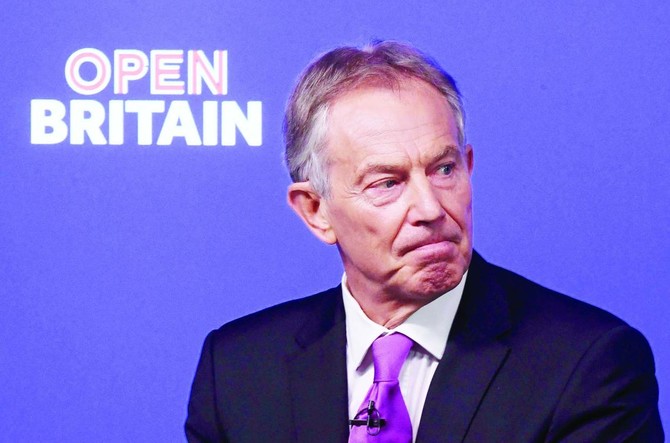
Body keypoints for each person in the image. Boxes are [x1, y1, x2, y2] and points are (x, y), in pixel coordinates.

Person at [185, 41, 663, 442]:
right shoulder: (237, 370)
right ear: (315, 210)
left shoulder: (588, 366)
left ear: (469, 167)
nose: (431, 208)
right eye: (387, 183)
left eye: (444, 169)